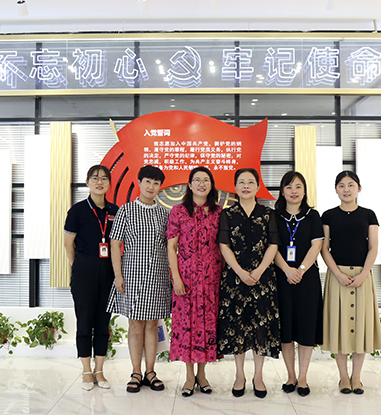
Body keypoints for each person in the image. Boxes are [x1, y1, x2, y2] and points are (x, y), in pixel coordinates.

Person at [106, 165, 172, 393]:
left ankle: (150, 372)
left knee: (152, 323)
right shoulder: (126, 210)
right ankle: (135, 372)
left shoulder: (164, 213)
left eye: (156, 183)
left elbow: (170, 247)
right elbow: (115, 244)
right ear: (139, 182)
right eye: (148, 182)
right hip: (132, 275)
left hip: (158, 275)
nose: (151, 186)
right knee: (135, 324)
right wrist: (118, 275)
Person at [217, 168, 280, 399]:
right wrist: (240, 272)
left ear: (257, 186)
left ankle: (259, 376)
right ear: (235, 186)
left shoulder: (268, 213)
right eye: (241, 182)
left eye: (250, 182)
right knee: (237, 327)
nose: (246, 186)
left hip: (263, 278)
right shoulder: (228, 214)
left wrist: (260, 270)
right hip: (235, 278)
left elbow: (273, 244)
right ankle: (240, 375)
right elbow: (224, 245)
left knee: (260, 326)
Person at [321, 170, 381, 396]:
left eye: (350, 185)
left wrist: (364, 274)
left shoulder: (369, 215)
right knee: (338, 327)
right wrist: (337, 274)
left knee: (361, 327)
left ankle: (356, 377)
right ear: (335, 189)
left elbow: (373, 247)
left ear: (359, 188)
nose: (346, 189)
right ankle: (343, 377)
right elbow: (324, 249)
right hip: (337, 276)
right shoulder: (328, 216)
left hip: (362, 277)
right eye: (341, 185)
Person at [167, 167, 222, 397]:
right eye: (197, 180)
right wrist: (176, 278)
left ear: (211, 185)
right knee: (187, 326)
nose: (201, 184)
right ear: (189, 185)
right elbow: (171, 246)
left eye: (206, 180)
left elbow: (224, 247)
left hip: (212, 280)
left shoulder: (219, 213)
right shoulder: (178, 211)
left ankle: (202, 374)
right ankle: (190, 376)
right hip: (186, 279)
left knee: (207, 325)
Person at [63, 164, 119, 391]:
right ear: (87, 182)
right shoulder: (77, 211)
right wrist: (78, 266)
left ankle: (100, 370)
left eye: (104, 178)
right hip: (84, 268)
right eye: (95, 178)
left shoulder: (115, 210)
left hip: (108, 270)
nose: (99, 182)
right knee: (84, 322)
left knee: (103, 323)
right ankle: (86, 371)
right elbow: (68, 244)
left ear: (109, 183)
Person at [273, 171, 324, 397]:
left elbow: (316, 246)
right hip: (281, 278)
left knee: (305, 328)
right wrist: (287, 270)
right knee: (286, 329)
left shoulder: (313, 216)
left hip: (307, 280)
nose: (294, 191)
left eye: (298, 187)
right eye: (289, 187)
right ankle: (291, 376)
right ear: (282, 191)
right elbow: (272, 247)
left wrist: (300, 270)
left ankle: (303, 377)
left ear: (304, 191)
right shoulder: (274, 216)